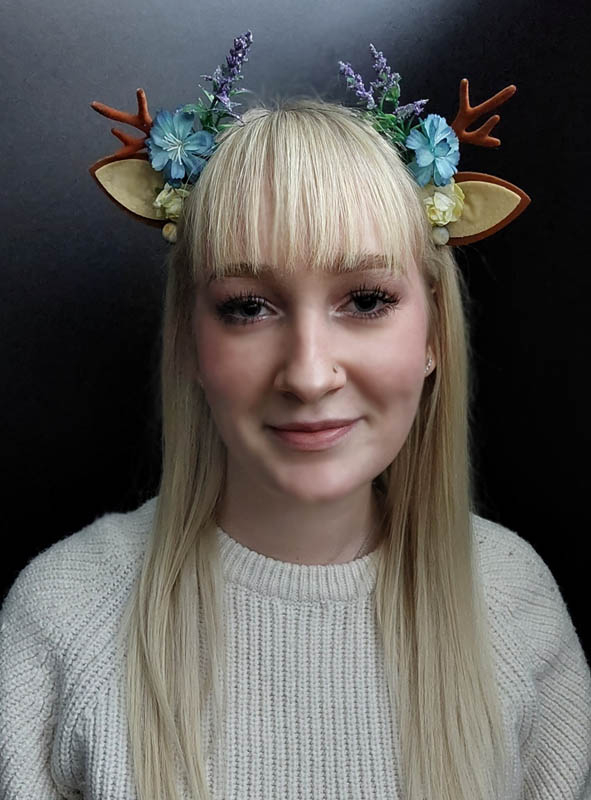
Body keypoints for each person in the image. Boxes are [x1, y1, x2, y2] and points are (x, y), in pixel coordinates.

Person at [2, 78, 591, 800]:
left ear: (434, 332)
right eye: (248, 307)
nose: (309, 375)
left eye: (367, 300)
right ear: (189, 337)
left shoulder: (510, 600)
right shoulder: (61, 618)